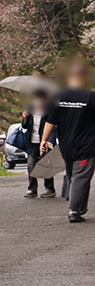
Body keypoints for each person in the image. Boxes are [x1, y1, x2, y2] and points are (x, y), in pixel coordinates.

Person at [41, 62, 95, 223]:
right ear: (84, 78)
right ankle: (73, 210)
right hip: (86, 146)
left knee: (74, 176)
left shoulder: (58, 96)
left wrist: (43, 139)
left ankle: (79, 208)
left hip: (66, 146)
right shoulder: (90, 97)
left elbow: (50, 121)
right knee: (81, 177)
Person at [22, 88, 56, 198]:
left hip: (44, 141)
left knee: (45, 165)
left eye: (39, 98)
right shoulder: (30, 108)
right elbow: (25, 126)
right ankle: (32, 189)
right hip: (32, 141)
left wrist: (49, 141)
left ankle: (49, 188)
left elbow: (53, 126)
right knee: (31, 165)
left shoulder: (49, 109)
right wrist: (24, 118)